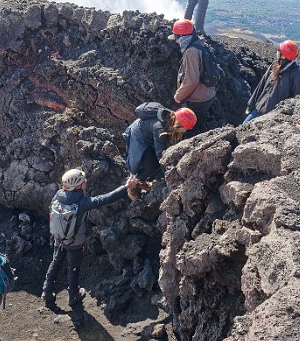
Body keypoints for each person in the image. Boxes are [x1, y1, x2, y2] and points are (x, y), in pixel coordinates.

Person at [42, 169, 135, 309]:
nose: (86, 181)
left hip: (58, 238)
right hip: (75, 243)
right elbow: (105, 199)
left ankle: (47, 292)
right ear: (77, 186)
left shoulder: (58, 195)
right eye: (83, 181)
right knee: (73, 268)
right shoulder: (82, 203)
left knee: (56, 262)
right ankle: (73, 296)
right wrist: (127, 187)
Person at [122, 103, 197, 195]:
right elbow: (160, 154)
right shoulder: (160, 129)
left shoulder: (172, 119)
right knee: (151, 166)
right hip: (139, 137)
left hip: (150, 135)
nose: (186, 130)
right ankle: (135, 181)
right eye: (185, 128)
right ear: (179, 125)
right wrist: (170, 174)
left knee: (156, 164)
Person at [168, 19, 216, 135]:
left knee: (187, 128)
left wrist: (178, 97)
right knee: (197, 124)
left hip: (197, 100)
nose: (176, 41)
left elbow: (191, 81)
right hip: (207, 94)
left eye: (176, 37)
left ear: (180, 36)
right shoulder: (199, 43)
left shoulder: (190, 52)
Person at [243, 40, 300, 124]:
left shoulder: (295, 73)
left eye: (279, 51)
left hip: (274, 115)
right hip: (260, 108)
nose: (277, 52)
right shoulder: (273, 66)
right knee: (244, 126)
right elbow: (261, 85)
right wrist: (250, 104)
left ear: (284, 56)